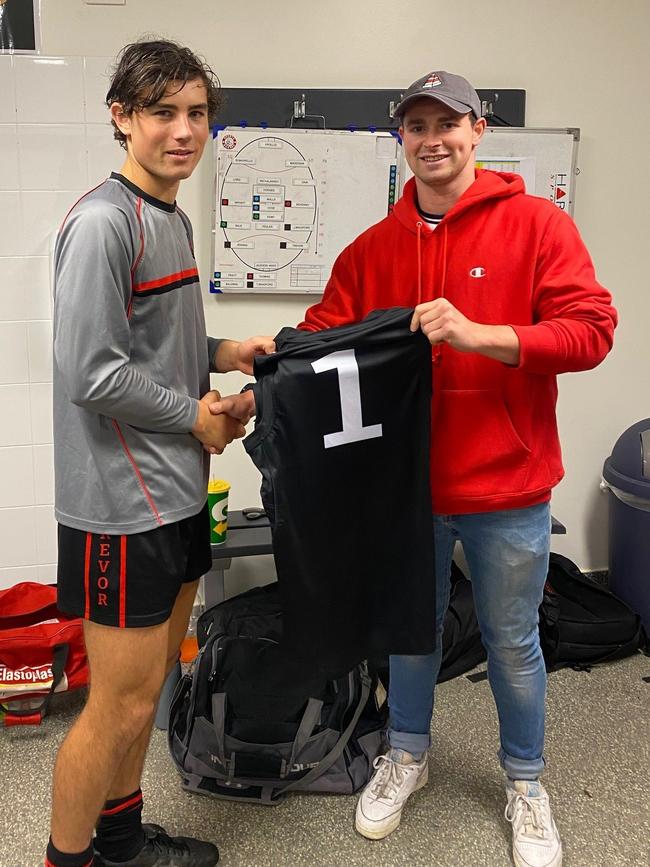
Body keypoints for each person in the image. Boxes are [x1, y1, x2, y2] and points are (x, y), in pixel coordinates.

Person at [215, 70, 617, 867]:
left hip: (508, 484)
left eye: (448, 122)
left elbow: (590, 332)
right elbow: (320, 349)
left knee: (511, 640)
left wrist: (484, 334)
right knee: (408, 631)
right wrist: (254, 394)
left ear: (477, 130)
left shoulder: (538, 227)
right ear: (402, 137)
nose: (433, 138)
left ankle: (526, 781)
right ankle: (406, 752)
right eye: (416, 124)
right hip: (401, 491)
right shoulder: (373, 250)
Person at [48, 39, 274, 867]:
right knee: (115, 704)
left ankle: (120, 843)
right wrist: (198, 419)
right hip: (120, 504)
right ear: (122, 117)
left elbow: (147, 344)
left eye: (196, 113)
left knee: (146, 699)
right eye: (162, 112)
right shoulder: (104, 223)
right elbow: (91, 372)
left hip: (175, 494)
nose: (183, 130)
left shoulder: (168, 217)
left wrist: (222, 352)